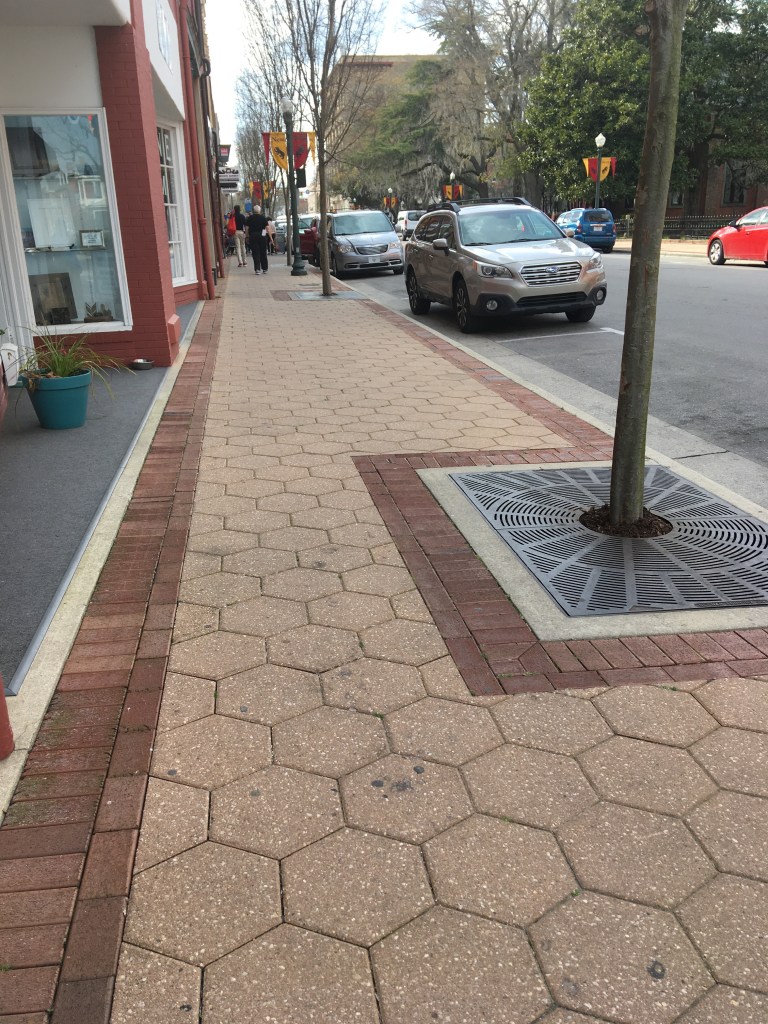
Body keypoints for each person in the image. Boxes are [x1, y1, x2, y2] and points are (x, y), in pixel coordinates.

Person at [245, 205, 270, 274]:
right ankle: (265, 268)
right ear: (259, 210)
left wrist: (247, 236)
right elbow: (267, 228)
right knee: (263, 252)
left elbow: (247, 228)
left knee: (255, 253)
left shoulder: (250, 218)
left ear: (254, 210)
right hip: (262, 235)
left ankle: (257, 269)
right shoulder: (263, 218)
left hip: (253, 236)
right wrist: (270, 237)